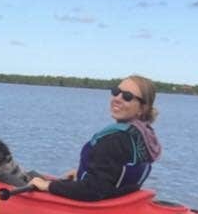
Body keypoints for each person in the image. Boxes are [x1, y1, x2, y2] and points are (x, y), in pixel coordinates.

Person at [29, 75, 163, 201]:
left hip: (100, 205)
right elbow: (116, 171)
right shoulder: (143, 136)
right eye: (116, 91)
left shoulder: (114, 140)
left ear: (142, 108)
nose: (117, 98)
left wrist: (48, 186)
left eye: (127, 96)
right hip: (120, 199)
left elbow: (93, 190)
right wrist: (82, 171)